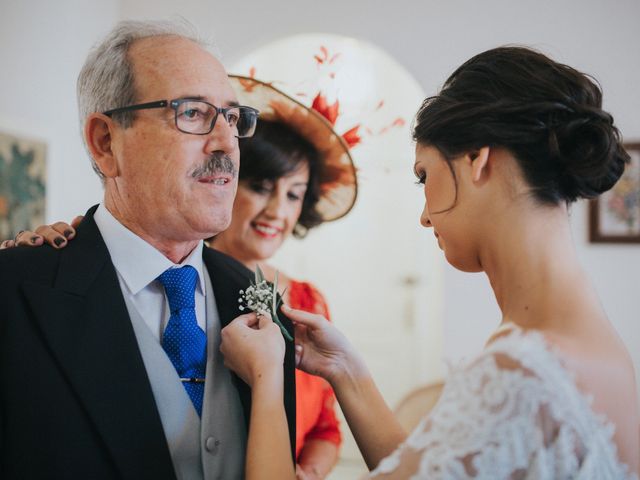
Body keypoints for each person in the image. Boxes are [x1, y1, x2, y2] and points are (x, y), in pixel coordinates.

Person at [220, 46, 640, 479]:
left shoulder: (522, 371)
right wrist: (345, 369)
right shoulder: (595, 345)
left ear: (478, 160)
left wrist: (269, 379)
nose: (424, 215)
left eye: (425, 177)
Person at [5, 76, 356, 479]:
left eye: (294, 194)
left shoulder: (303, 302)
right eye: (261, 186)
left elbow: (325, 428)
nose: (278, 210)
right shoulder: (69, 269)